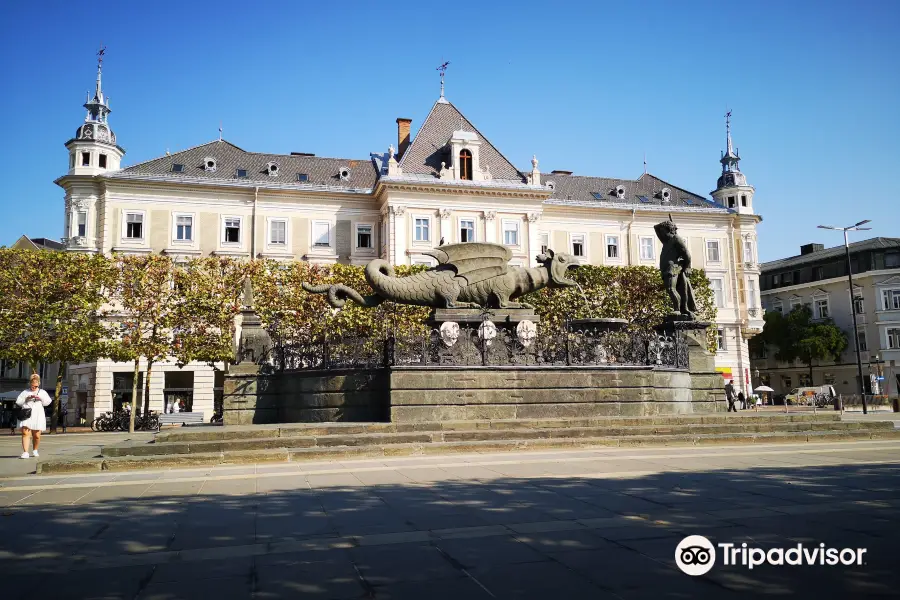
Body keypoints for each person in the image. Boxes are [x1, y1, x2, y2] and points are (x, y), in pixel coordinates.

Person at [15, 374, 52, 459]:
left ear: (38, 384)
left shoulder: (42, 392)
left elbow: (48, 402)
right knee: (25, 433)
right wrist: (26, 399)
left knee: (37, 435)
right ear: (30, 384)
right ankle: (25, 452)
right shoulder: (25, 392)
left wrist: (40, 398)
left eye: (35, 386)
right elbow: (18, 402)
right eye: (32, 386)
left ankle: (35, 449)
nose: (33, 388)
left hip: (38, 415)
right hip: (27, 414)